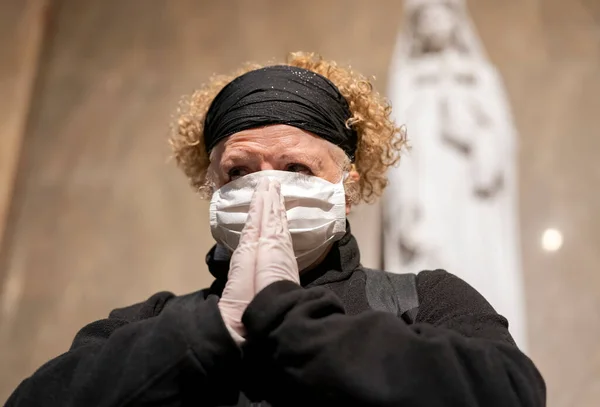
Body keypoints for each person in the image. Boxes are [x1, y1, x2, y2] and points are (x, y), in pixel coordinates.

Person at [6, 52, 545, 407]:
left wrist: (289, 319)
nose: (266, 190)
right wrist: (212, 330)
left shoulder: (421, 299)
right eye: (239, 172)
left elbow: (511, 392)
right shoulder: (150, 322)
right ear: (211, 186)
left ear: (349, 187)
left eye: (296, 169)